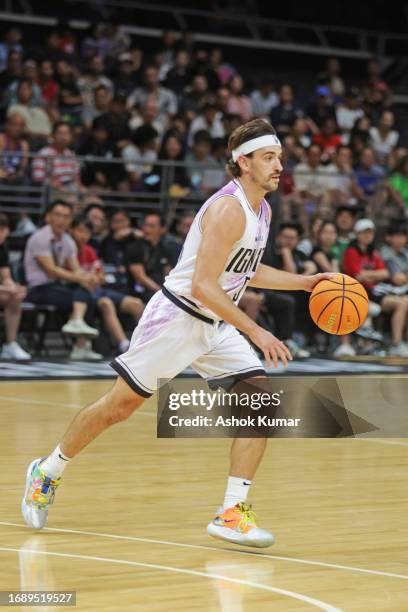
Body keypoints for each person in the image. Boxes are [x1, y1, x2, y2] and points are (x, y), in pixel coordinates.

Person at [21, 118, 333, 548]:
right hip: (177, 318)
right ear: (243, 162)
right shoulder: (228, 208)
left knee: (259, 403)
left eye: (279, 156)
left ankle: (231, 512)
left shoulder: (261, 207)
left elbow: (244, 269)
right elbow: (204, 284)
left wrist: (302, 282)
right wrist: (258, 331)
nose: (279, 165)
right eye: (269, 157)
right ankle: (48, 469)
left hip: (216, 324)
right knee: (119, 407)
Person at [24, 200, 102, 361]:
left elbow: (76, 268)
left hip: (57, 287)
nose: (62, 220)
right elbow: (51, 270)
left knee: (88, 294)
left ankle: (81, 345)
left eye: (66, 217)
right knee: (76, 296)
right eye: (58, 215)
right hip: (38, 289)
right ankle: (78, 327)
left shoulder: (67, 241)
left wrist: (88, 278)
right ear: (48, 217)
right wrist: (81, 277)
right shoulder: (39, 238)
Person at [70, 215, 144, 353]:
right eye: (79, 231)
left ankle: (144, 344)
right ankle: (124, 344)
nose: (83, 235)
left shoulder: (89, 251)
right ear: (71, 231)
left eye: (86, 232)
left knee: (136, 304)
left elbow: (100, 275)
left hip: (97, 289)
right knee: (106, 303)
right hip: (81, 292)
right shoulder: (68, 250)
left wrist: (96, 277)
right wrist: (91, 277)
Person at [342, 218, 408, 357]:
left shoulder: (373, 253)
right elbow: (358, 276)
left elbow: (385, 273)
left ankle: (397, 343)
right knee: (400, 302)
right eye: (364, 233)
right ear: (357, 234)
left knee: (402, 303)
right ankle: (391, 343)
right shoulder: (351, 251)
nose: (367, 236)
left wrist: (369, 274)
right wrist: (374, 275)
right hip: (356, 291)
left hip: (372, 291)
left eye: (370, 233)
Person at [0, 213, 31, 360]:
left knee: (14, 298)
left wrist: (14, 287)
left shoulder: (3, 246)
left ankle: (10, 344)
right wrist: (7, 289)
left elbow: (6, 277)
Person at [125, 213, 172, 303]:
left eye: (152, 226)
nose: (147, 230)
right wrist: (162, 293)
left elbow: (168, 274)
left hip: (161, 293)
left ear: (162, 229)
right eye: (145, 225)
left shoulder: (164, 249)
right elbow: (140, 277)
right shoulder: (135, 247)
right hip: (141, 293)